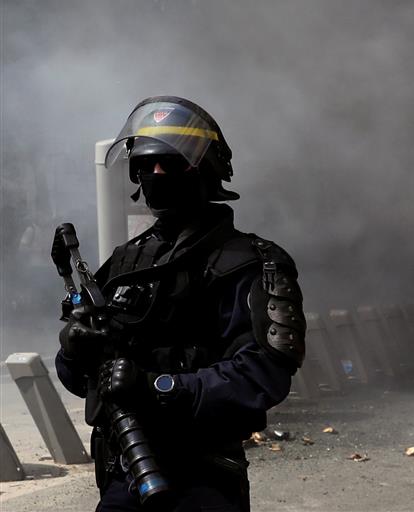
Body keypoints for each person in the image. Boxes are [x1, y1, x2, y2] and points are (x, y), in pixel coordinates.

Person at [54, 96, 305, 511]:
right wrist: (73, 348)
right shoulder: (125, 260)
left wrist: (159, 388)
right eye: (145, 164)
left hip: (200, 479)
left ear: (206, 171)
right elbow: (83, 378)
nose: (155, 174)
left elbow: (264, 374)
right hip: (122, 476)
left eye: (170, 163)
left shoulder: (249, 262)